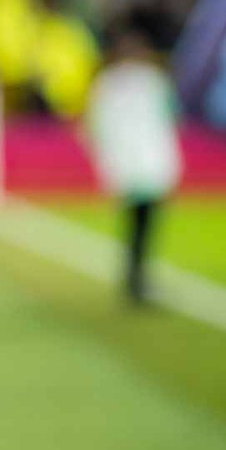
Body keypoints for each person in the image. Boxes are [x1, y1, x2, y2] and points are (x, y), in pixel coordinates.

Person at [84, 28, 183, 305]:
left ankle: (135, 278)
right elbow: (171, 117)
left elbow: (96, 126)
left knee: (138, 225)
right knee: (143, 225)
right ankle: (136, 280)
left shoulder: (109, 83)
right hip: (147, 164)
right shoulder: (152, 81)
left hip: (132, 164)